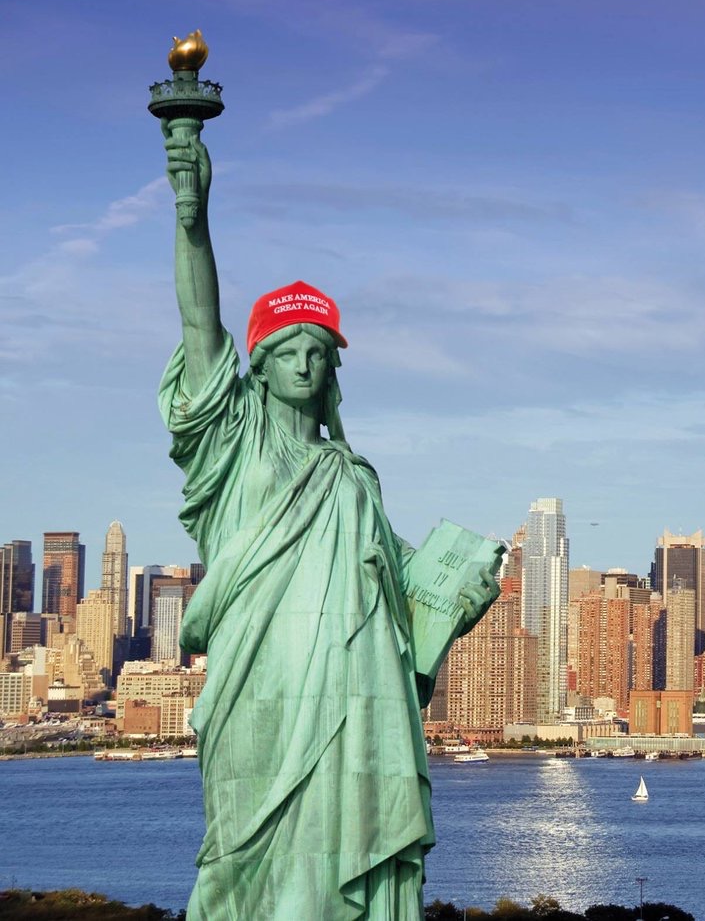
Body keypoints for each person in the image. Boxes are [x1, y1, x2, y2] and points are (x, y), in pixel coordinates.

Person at [160, 121, 500, 919]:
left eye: (319, 352)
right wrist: (191, 218)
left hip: (354, 691)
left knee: (342, 856)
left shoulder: (352, 477)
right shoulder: (232, 447)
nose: (305, 365)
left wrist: (462, 586)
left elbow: (395, 578)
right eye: (288, 351)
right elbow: (199, 326)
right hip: (258, 682)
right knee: (240, 860)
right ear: (259, 364)